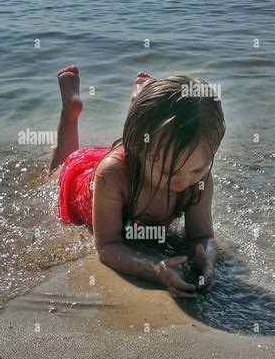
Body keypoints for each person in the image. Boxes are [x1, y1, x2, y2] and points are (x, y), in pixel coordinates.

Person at [48, 65, 225, 298]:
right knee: (56, 175)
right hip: (88, 182)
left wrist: (207, 258)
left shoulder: (197, 177)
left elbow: (202, 236)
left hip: (143, 147)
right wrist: (154, 268)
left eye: (198, 169)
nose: (184, 182)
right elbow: (107, 245)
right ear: (138, 150)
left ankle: (139, 105)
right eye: (168, 172)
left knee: (147, 133)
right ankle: (69, 114)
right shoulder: (111, 177)